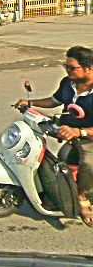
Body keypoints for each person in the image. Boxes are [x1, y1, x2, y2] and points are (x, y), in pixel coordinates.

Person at [15, 46, 93, 227]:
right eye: (66, 67)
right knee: (63, 160)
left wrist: (79, 132)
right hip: (71, 134)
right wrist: (30, 103)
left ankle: (83, 197)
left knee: (88, 163)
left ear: (89, 68)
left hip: (88, 135)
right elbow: (54, 101)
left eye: (72, 68)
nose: (67, 71)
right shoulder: (68, 83)